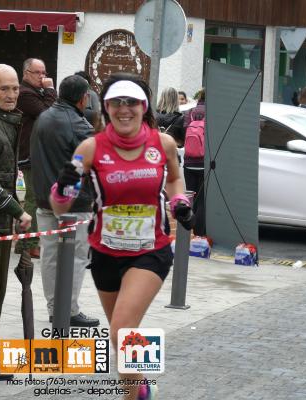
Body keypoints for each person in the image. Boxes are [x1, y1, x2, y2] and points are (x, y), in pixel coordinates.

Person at [50, 73, 194, 399]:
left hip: (150, 250)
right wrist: (64, 185)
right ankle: (141, 384)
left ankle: (135, 395)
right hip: (105, 253)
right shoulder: (89, 148)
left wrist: (180, 202)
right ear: (107, 108)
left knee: (122, 329)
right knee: (122, 335)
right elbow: (61, 207)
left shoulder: (163, 144)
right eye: (117, 102)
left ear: (144, 107)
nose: (124, 109)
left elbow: (174, 179)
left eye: (131, 102)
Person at [30, 74, 100, 327]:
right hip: (74, 202)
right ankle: (68, 309)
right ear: (84, 99)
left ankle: (54, 308)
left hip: (44, 198)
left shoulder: (43, 117)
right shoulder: (79, 124)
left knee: (50, 255)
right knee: (75, 256)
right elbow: (95, 162)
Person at [0, 64, 33, 381]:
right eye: (3, 88)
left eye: (15, 88)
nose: (11, 94)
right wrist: (17, 211)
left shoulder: (7, 121)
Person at [15, 58, 56, 258]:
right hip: (28, 155)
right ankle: (28, 245)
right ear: (26, 73)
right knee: (32, 199)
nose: (42, 77)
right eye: (37, 73)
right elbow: (47, 114)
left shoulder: (35, 93)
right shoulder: (24, 94)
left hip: (36, 154)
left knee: (36, 199)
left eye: (44, 72)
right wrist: (51, 90)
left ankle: (27, 243)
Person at [184, 88, 207, 237]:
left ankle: (186, 232)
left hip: (189, 162)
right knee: (202, 200)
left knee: (190, 198)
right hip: (204, 163)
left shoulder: (190, 112)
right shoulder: (213, 113)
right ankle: (199, 234)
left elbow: (183, 131)